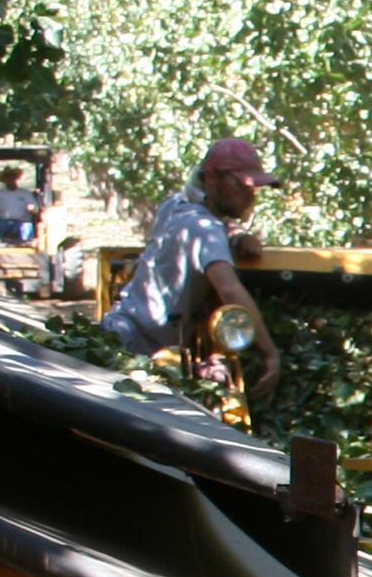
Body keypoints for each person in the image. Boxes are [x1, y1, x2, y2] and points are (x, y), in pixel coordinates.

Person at [102, 137, 281, 394]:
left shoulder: (176, 204)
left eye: (253, 187)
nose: (249, 195)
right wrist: (270, 352)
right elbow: (229, 290)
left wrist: (237, 234)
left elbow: (213, 220)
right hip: (136, 352)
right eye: (239, 185)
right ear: (210, 177)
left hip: (121, 331)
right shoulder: (203, 229)